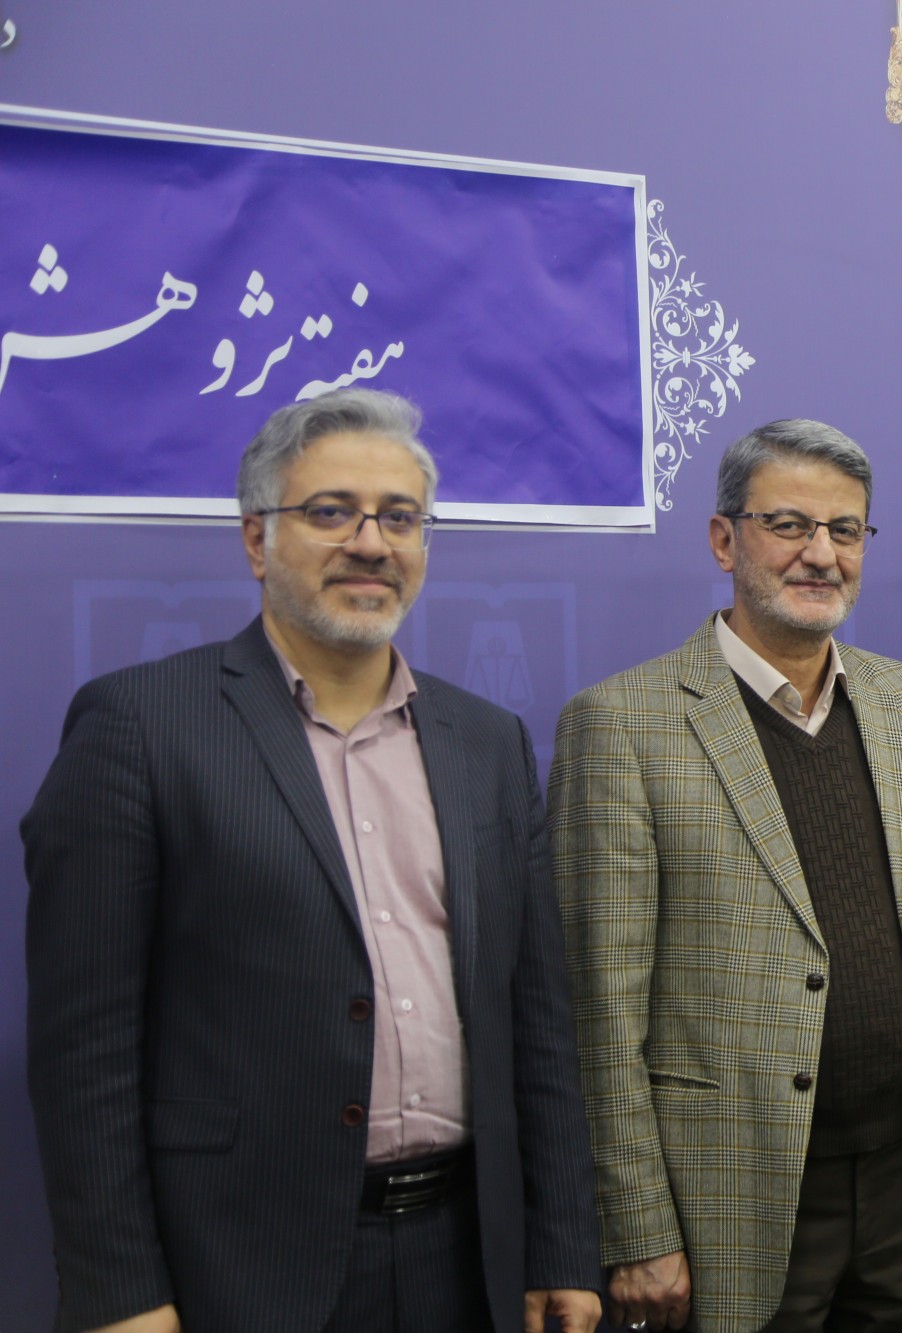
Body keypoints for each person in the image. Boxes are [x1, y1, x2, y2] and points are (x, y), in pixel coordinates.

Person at [22, 389, 601, 1333]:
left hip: (468, 1259)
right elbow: (84, 1050)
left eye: (400, 517)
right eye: (332, 511)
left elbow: (537, 1018)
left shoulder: (489, 742)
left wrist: (563, 1242)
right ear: (257, 540)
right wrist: (118, 1292)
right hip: (241, 1265)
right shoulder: (141, 726)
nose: (371, 543)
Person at [549, 418, 902, 1333]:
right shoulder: (620, 725)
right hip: (733, 1204)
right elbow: (601, 1010)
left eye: (845, 530)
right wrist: (637, 1224)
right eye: (789, 525)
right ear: (723, 539)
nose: (821, 553)